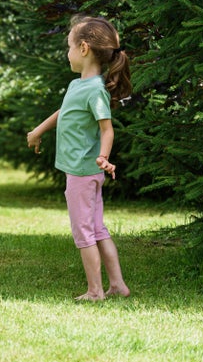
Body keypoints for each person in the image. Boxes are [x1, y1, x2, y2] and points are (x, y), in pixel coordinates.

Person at [27, 15, 132, 301]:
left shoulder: (95, 90)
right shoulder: (79, 86)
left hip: (83, 173)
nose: (68, 52)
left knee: (84, 232)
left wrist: (103, 156)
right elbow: (66, 112)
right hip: (83, 172)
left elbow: (106, 129)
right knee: (97, 229)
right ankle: (118, 286)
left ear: (83, 49)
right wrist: (38, 131)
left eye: (70, 46)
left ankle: (95, 291)